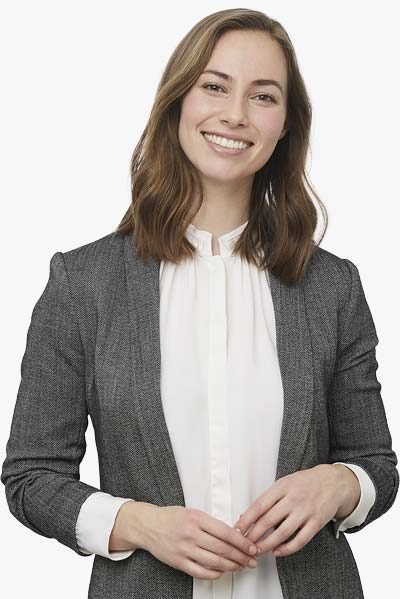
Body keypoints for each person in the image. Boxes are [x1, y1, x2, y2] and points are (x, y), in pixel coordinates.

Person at [1, 7, 398, 599]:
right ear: (178, 101)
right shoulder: (84, 283)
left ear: (286, 124)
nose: (235, 114)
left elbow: (376, 466)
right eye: (214, 86)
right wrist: (141, 525)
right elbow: (31, 478)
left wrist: (340, 485)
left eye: (263, 96)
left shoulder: (331, 286)